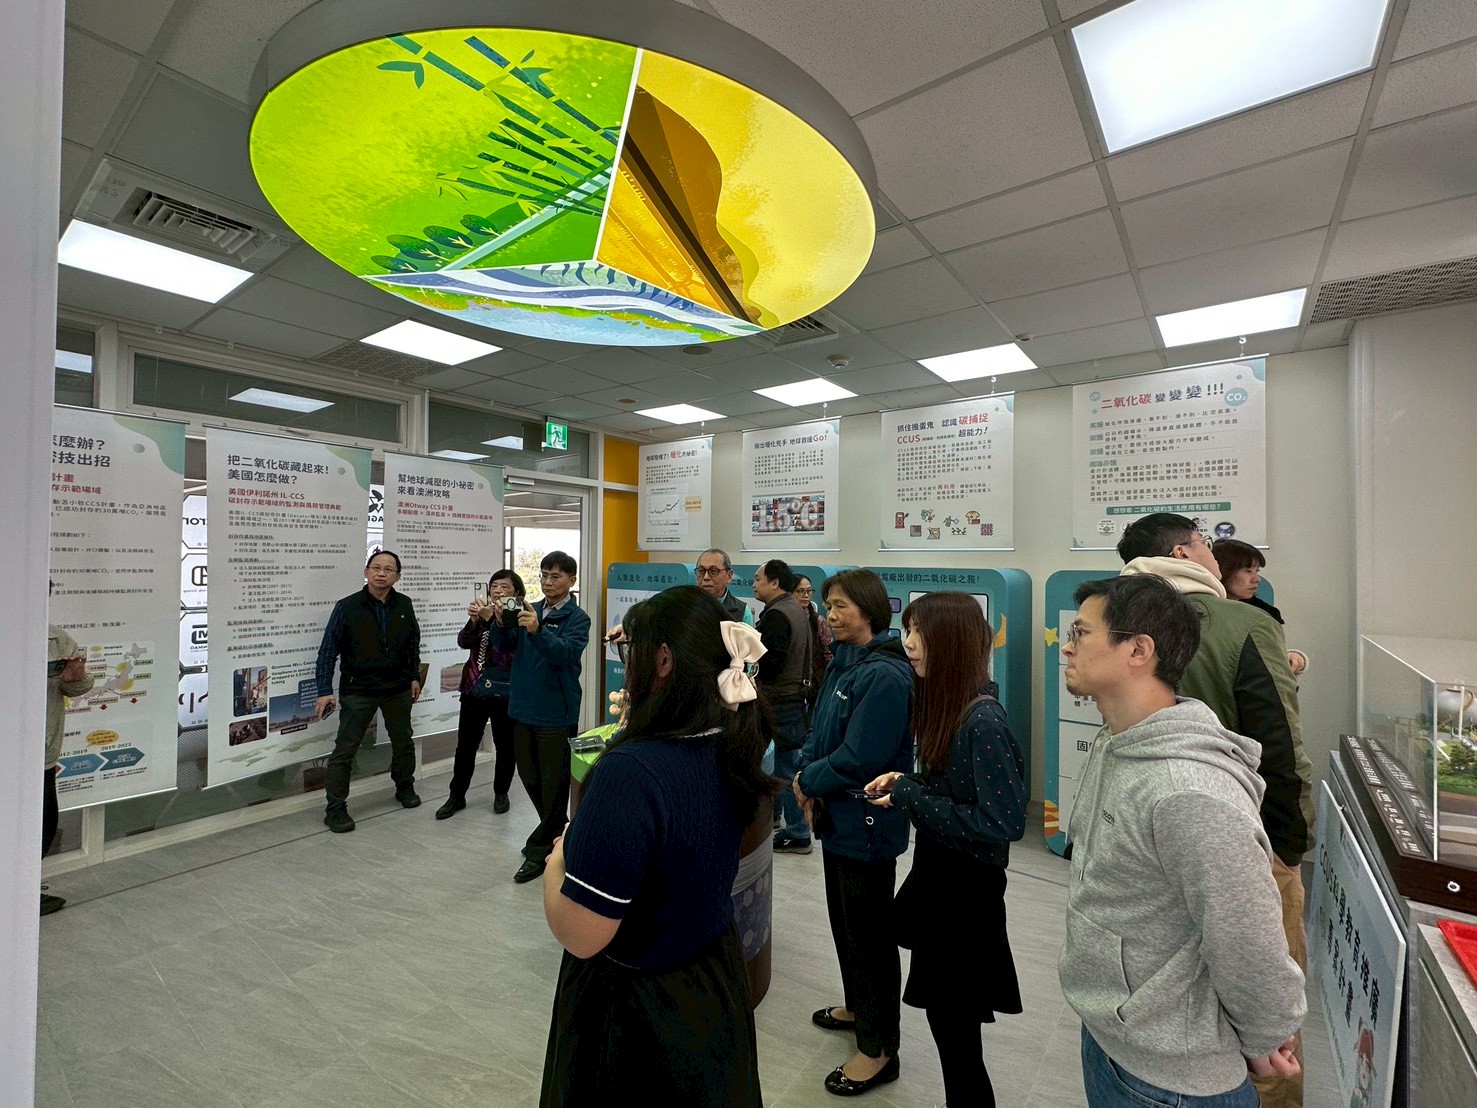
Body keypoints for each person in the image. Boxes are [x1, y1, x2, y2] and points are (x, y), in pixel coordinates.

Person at [1058, 575, 1305, 1108]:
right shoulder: (1115, 742)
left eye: (1081, 632)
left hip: (1173, 1078)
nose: (1067, 646)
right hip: (1116, 1034)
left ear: (1138, 650)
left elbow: (1246, 936)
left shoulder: (1188, 791)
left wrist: (1265, 1034)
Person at [538, 586, 770, 1106]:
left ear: (662, 660)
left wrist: (557, 862)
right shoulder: (729, 738)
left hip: (637, 1015)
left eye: (631, 650)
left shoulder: (631, 772)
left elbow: (581, 934)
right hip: (712, 982)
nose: (628, 664)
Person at [1117, 513, 1311, 1108]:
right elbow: (1279, 744)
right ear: (1184, 552)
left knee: (1179, 981)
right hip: (1246, 833)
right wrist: (1290, 846)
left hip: (1145, 840)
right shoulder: (1243, 624)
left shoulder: (1119, 621)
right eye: (1206, 543)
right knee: (1267, 1003)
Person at [864, 592, 1026, 1108]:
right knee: (948, 1028)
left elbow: (1001, 823)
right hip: (943, 886)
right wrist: (908, 783)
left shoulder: (983, 722)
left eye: (919, 633)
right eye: (908, 630)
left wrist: (911, 796)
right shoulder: (951, 710)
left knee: (957, 1037)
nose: (908, 643)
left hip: (965, 900)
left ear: (951, 642)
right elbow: (958, 794)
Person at [794, 568, 913, 1097]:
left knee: (869, 937)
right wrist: (806, 772)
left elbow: (861, 756)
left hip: (866, 823)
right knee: (845, 925)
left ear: (869, 609)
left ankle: (879, 1049)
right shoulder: (845, 662)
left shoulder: (885, 674)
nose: (831, 614)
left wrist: (806, 781)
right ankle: (859, 1007)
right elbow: (820, 733)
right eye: (829, 605)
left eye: (841, 605)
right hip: (837, 818)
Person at [314, 550, 422, 833]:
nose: (381, 573)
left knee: (403, 742)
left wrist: (414, 676)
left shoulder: (404, 604)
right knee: (346, 749)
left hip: (397, 687)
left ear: (398, 576)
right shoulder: (347, 606)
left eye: (388, 569)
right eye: (376, 568)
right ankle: (335, 808)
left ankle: (404, 786)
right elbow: (328, 650)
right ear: (366, 572)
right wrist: (324, 689)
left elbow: (412, 643)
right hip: (358, 689)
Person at [509, 551, 591, 884]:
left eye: (556, 576)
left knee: (554, 784)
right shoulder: (529, 609)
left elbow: (565, 653)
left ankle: (540, 850)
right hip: (522, 706)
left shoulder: (578, 618)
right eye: (544, 574)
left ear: (572, 580)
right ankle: (560, 833)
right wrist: (492, 620)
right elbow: (504, 646)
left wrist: (538, 630)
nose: (547, 581)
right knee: (529, 776)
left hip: (556, 711)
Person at [438, 569, 525, 820]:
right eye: (494, 586)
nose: (498, 591)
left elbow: (508, 650)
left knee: (505, 746)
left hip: (505, 691)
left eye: (504, 587)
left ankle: (501, 793)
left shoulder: (519, 616)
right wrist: (476, 621)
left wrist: (493, 620)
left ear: (517, 592)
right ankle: (457, 795)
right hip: (474, 689)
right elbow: (464, 641)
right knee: (465, 746)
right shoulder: (482, 613)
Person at [754, 558, 814, 854]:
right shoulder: (795, 609)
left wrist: (747, 659)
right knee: (783, 767)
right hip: (791, 699)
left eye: (758, 579)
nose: (754, 585)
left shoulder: (778, 615)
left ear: (775, 582)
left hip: (780, 702)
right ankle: (781, 820)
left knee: (785, 769)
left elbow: (772, 664)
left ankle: (798, 832)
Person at [43, 580, 94, 915]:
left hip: (41, 751)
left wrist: (76, 676)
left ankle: (23, 890)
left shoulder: (56, 638)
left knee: (45, 823)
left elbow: (78, 686)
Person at [1212, 538, 1309, 676]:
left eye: (1257, 571)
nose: (1257, 579)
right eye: (1248, 571)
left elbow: (1269, 654)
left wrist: (1292, 657)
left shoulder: (1263, 613)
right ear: (1222, 570)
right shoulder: (1200, 610)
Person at [795, 574, 834, 706]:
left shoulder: (818, 622)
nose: (806, 595)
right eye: (801, 591)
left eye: (809, 591)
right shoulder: (786, 620)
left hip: (814, 683)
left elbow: (828, 654)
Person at [695, 547, 755, 626]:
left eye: (713, 571)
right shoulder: (686, 606)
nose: (706, 577)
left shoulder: (742, 612)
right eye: (701, 571)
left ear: (729, 576)